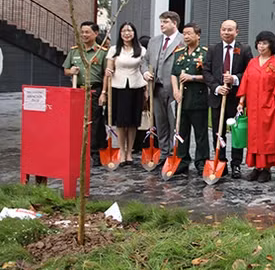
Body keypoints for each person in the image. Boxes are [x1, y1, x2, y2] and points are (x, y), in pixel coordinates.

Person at [203, 19, 254, 179]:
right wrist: (217, 88)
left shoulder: (244, 49)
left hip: (236, 99)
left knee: (237, 132)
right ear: (220, 31)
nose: (226, 32)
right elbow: (206, 71)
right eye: (224, 29)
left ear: (236, 32)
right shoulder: (213, 49)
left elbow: (250, 71)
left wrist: (235, 79)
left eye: (230, 30)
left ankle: (236, 164)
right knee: (218, 131)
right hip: (218, 97)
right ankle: (221, 160)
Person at [237, 31, 275, 182]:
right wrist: (241, 103)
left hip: (270, 106)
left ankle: (266, 168)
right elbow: (245, 84)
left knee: (268, 138)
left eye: (265, 43)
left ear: (271, 45)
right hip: (253, 106)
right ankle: (256, 167)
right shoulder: (252, 63)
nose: (261, 46)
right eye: (259, 43)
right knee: (253, 138)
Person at [63, 21, 108, 167]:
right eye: (82, 32)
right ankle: (79, 150)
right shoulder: (75, 51)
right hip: (77, 91)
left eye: (87, 32)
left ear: (95, 33)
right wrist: (71, 71)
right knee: (77, 122)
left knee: (94, 122)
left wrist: (104, 93)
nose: (84, 35)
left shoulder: (101, 52)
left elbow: (106, 75)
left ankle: (94, 153)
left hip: (95, 91)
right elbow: (66, 70)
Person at [143, 11, 184, 167]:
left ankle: (176, 154)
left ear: (174, 23)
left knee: (175, 122)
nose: (161, 25)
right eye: (161, 22)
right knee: (160, 123)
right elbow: (144, 61)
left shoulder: (182, 41)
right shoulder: (154, 42)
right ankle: (164, 152)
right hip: (156, 88)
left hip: (175, 88)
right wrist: (145, 72)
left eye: (165, 22)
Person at [103, 22, 147, 166]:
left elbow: (144, 68)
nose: (126, 33)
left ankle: (130, 152)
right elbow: (108, 71)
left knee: (133, 121)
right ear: (120, 34)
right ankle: (122, 150)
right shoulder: (114, 50)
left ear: (134, 33)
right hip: (118, 87)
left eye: (129, 31)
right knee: (121, 122)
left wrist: (146, 89)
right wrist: (104, 90)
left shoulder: (141, 50)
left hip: (136, 86)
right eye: (123, 31)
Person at [170, 23, 210, 175]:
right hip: (182, 99)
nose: (186, 37)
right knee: (181, 131)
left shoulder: (205, 54)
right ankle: (182, 160)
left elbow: (209, 76)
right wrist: (175, 90)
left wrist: (192, 77)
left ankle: (201, 162)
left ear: (198, 35)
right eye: (184, 34)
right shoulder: (179, 53)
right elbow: (174, 73)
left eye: (189, 34)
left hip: (198, 98)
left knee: (200, 133)